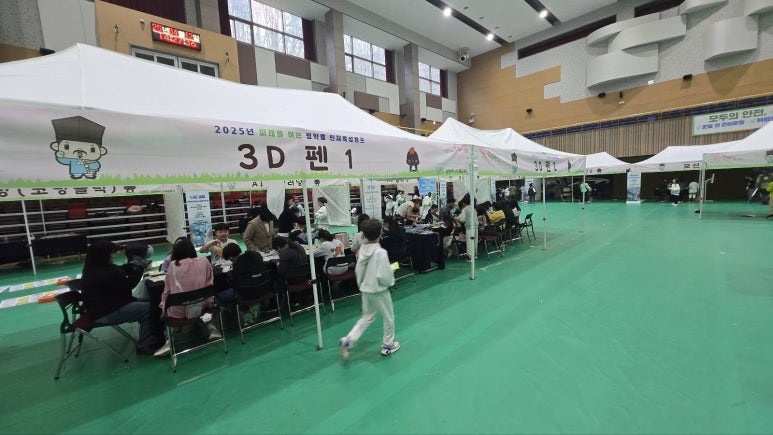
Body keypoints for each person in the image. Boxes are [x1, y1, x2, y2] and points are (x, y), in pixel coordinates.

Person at [80, 240, 158, 355]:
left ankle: (153, 335)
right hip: (106, 312)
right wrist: (138, 269)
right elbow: (128, 285)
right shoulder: (104, 273)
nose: (113, 255)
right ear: (104, 255)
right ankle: (145, 344)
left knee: (154, 302)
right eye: (111, 253)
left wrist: (132, 265)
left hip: (103, 307)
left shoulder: (93, 268)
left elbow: (119, 270)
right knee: (151, 308)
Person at [338, 219, 399, 361]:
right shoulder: (380, 252)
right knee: (388, 317)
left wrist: (362, 287)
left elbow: (358, 271)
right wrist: (390, 278)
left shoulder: (362, 250)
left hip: (365, 289)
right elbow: (384, 275)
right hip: (379, 291)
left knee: (366, 317)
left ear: (364, 235)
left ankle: (348, 341)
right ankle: (388, 346)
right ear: (381, 233)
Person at [155, 238, 219, 357]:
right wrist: (209, 302)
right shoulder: (204, 261)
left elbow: (167, 291)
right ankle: (212, 328)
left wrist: (163, 306)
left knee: (166, 311)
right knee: (206, 304)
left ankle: (168, 341)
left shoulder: (173, 265)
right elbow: (209, 284)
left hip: (178, 310)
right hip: (201, 305)